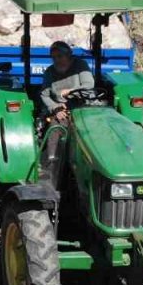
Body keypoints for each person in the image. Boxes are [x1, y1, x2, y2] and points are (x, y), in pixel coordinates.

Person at [37, 41, 95, 185]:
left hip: (83, 106)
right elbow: (44, 95)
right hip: (61, 109)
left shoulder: (80, 65)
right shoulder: (50, 72)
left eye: (60, 56)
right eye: (54, 57)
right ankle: (51, 163)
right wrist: (55, 108)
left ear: (68, 55)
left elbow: (89, 85)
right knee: (56, 126)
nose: (57, 60)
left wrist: (71, 91)